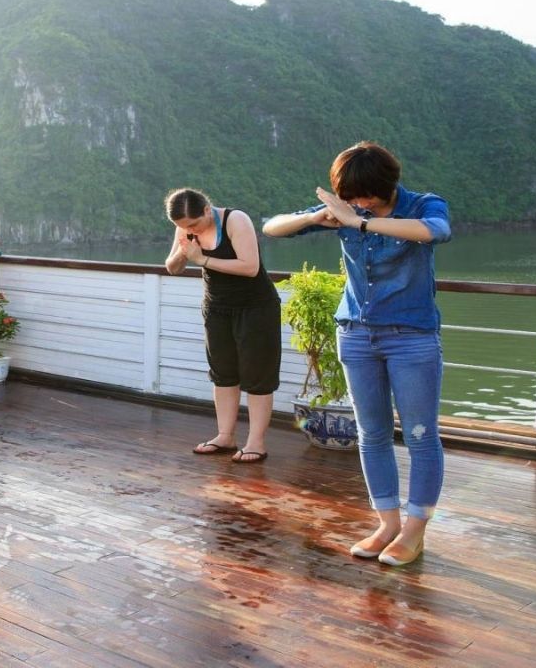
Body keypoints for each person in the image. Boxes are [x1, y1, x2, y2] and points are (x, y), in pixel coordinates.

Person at [262, 141, 451, 566]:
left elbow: (434, 231)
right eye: (351, 198)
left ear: (386, 185)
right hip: (356, 334)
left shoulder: (422, 205)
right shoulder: (346, 208)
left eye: (364, 196)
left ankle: (415, 531)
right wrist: (317, 217)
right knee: (371, 433)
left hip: (412, 336)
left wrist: (361, 225)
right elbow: (272, 227)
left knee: (421, 435)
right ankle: (387, 524)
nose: (358, 204)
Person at [164, 188, 282, 464]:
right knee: (223, 374)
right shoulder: (185, 225)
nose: (188, 229)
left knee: (257, 376)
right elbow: (172, 267)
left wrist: (201, 259)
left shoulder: (235, 220)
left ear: (207, 209)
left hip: (255, 307)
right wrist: (184, 252)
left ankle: (256, 442)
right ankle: (225, 436)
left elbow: (250, 266)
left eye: (193, 224)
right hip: (216, 308)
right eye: (182, 226)